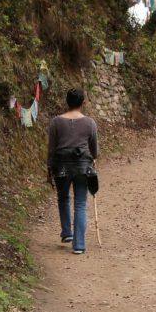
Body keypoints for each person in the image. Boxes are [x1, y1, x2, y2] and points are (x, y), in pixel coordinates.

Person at [47, 87, 98, 255]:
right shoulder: (90, 123)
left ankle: (67, 232)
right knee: (81, 203)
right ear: (83, 103)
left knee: (63, 198)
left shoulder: (56, 122)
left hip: (61, 166)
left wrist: (50, 168)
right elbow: (94, 150)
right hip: (82, 166)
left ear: (67, 102)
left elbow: (52, 149)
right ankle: (79, 245)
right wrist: (92, 159)